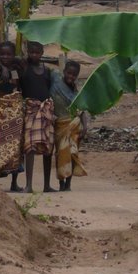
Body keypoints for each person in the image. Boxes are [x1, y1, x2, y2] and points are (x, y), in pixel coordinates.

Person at [19, 40, 55, 193]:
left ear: (42, 53)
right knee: (30, 147)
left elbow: (49, 89)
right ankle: (29, 185)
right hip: (31, 110)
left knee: (48, 147)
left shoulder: (47, 71)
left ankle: (47, 185)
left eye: (37, 52)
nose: (34, 55)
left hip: (45, 110)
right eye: (31, 52)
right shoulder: (24, 68)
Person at [0, 41, 25, 191]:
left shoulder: (16, 68)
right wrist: (1, 67)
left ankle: (14, 182)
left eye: (8, 54)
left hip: (14, 109)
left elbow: (16, 84)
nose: (5, 56)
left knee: (16, 146)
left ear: (13, 54)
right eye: (2, 54)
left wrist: (7, 69)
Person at [51, 59, 88, 192]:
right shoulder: (55, 83)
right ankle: (61, 183)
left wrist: (85, 127)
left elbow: (81, 110)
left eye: (74, 75)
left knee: (72, 154)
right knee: (61, 155)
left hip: (74, 126)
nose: (71, 77)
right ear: (64, 72)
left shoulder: (77, 92)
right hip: (59, 125)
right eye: (69, 73)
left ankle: (68, 183)